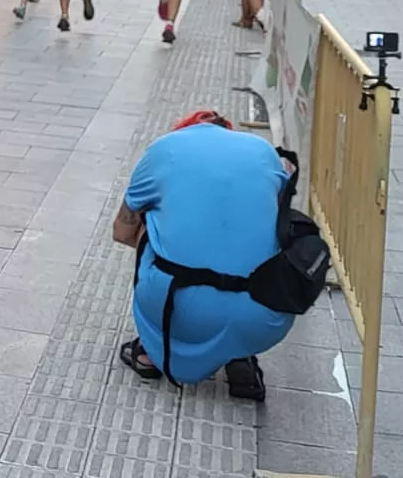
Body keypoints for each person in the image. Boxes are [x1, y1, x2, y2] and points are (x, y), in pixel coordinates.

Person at [114, 111, 300, 401]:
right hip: (266, 315)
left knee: (148, 227)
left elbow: (121, 233)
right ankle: (240, 354)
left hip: (181, 309)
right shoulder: (264, 152)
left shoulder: (164, 149)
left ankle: (153, 353)